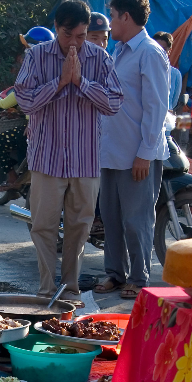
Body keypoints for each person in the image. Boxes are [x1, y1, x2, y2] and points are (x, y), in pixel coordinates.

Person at [15, 0, 123, 306]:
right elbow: (24, 101)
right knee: (43, 226)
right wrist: (60, 82)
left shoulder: (100, 59)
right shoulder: (37, 56)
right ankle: (47, 291)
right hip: (47, 157)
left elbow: (114, 102)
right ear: (56, 28)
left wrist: (81, 83)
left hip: (85, 159)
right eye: (67, 35)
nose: (74, 42)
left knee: (79, 227)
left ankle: (71, 290)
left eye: (80, 35)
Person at [95, 0, 169, 299]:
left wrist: (145, 154)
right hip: (112, 151)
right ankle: (115, 273)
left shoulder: (150, 52)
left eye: (112, 16)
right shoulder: (121, 51)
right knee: (110, 217)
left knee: (136, 220)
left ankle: (139, 278)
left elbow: (156, 107)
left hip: (138, 154)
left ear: (126, 16)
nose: (110, 24)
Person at [0, 27, 55, 191]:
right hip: (52, 126)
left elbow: (19, 93)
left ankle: (13, 179)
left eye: (28, 47)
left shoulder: (35, 68)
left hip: (34, 126)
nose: (26, 51)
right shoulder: (53, 67)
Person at [87, 12, 111, 237]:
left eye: (104, 38)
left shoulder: (107, 63)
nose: (101, 44)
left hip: (104, 138)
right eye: (95, 38)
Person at [153, 31, 182, 110]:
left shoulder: (175, 74)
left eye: (163, 50)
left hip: (166, 117)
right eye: (156, 49)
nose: (159, 53)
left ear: (169, 51)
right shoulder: (143, 70)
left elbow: (174, 102)